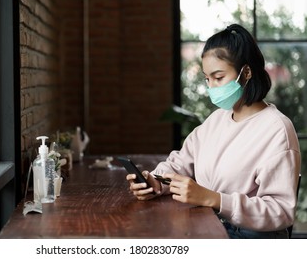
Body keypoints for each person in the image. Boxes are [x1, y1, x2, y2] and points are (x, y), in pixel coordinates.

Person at [126, 24, 301, 239]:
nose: (212, 87)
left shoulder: (276, 129)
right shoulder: (216, 120)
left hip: (248, 237)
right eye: (207, 79)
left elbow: (281, 211)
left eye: (218, 78)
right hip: (208, 224)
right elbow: (180, 163)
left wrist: (215, 199)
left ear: (246, 73)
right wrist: (155, 181)